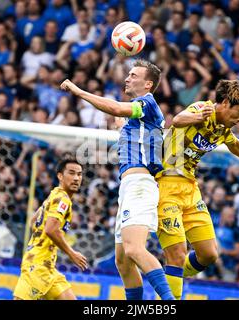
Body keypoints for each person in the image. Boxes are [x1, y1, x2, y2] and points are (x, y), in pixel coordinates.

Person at [60, 60, 175, 300]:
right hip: (129, 188)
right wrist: (120, 125)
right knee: (122, 261)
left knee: (134, 249)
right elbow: (123, 119)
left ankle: (170, 302)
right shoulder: (139, 117)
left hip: (141, 186)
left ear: (148, 84)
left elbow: (117, 110)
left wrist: (79, 91)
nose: (127, 78)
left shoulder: (147, 103)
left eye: (133, 75)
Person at [156, 79, 239, 299]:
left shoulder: (223, 128)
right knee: (177, 253)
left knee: (208, 255)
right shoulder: (203, 109)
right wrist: (197, 117)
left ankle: (168, 278)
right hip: (165, 184)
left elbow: (235, 144)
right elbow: (178, 120)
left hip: (190, 188)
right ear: (226, 102)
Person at [13, 158, 87, 300]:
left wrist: (42, 242)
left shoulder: (54, 194)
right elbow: (51, 229)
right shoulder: (63, 199)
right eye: (71, 173)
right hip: (37, 266)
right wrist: (71, 253)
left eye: (79, 174)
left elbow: (33, 221)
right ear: (60, 176)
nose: (76, 178)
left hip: (48, 267)